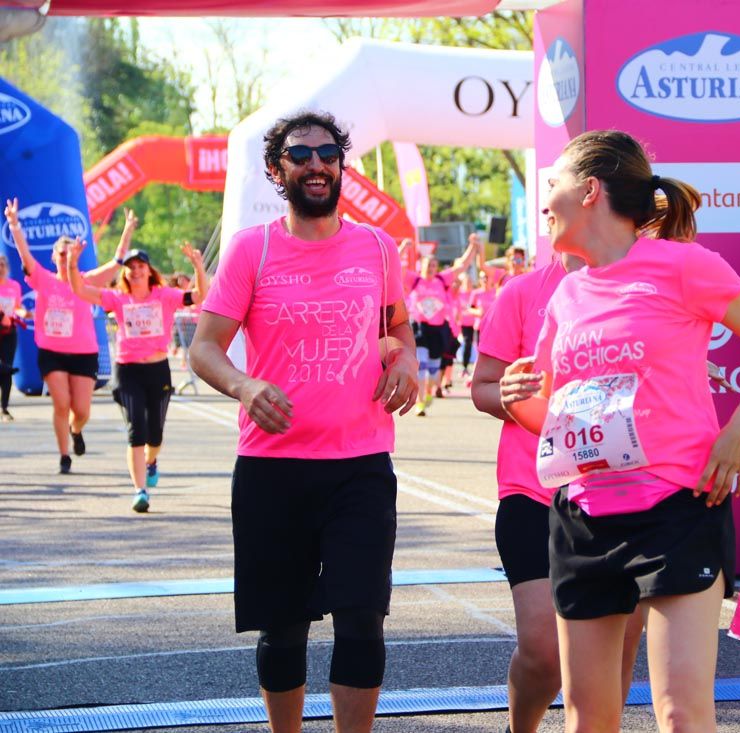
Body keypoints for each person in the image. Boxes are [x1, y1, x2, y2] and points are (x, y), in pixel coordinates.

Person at [502, 130, 740, 732]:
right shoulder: (567, 296)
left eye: (553, 183)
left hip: (676, 511)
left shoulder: (684, 265)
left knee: (681, 714)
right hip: (582, 517)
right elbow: (558, 418)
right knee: (588, 719)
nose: (544, 199)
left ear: (589, 191)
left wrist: (739, 430)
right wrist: (517, 401)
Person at [189, 111, 417, 733]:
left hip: (361, 465)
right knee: (283, 624)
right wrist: (243, 383)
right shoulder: (251, 248)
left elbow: (397, 326)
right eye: (300, 155)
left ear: (341, 166)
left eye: (327, 154)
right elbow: (204, 346)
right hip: (273, 469)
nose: (316, 164)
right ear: (276, 170)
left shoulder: (376, 246)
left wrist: (407, 358)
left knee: (361, 615)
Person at [472, 252, 646, 733]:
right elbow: (482, 387)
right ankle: (519, 728)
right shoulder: (522, 293)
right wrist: (507, 394)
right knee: (545, 651)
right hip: (533, 491)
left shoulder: (641, 284)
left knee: (616, 653)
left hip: (620, 492)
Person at [67, 237, 208, 512]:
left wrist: (198, 268)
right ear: (126, 273)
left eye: (141, 266)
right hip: (128, 369)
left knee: (154, 435)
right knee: (136, 431)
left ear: (148, 270)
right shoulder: (117, 298)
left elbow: (199, 297)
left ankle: (151, 461)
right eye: (131, 267)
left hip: (157, 370)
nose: (136, 271)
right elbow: (80, 290)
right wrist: (72, 262)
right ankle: (140, 490)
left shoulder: (164, 295)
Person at [5, 199, 136, 473]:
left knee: (82, 410)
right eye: (61, 255)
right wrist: (15, 224)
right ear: (54, 257)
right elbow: (24, 255)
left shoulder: (85, 280)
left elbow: (115, 265)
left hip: (84, 352)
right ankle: (64, 455)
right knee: (61, 403)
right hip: (52, 351)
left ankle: (76, 431)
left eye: (70, 254)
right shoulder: (43, 278)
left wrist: (127, 230)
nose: (65, 259)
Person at [407, 242, 478, 416]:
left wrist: (473, 246)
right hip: (420, 328)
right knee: (421, 365)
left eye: (433, 265)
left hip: (438, 330)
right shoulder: (415, 280)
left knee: (433, 371)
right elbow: (395, 269)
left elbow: (461, 266)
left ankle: (429, 392)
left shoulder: (441, 280)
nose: (430, 268)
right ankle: (420, 402)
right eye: (427, 265)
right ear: (421, 266)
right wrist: (403, 247)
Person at [0, 253, 26, 421]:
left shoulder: (14, 286)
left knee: (7, 369)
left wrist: (24, 313)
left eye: (2, 264)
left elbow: (17, 306)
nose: (0, 267)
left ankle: (4, 408)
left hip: (9, 331)